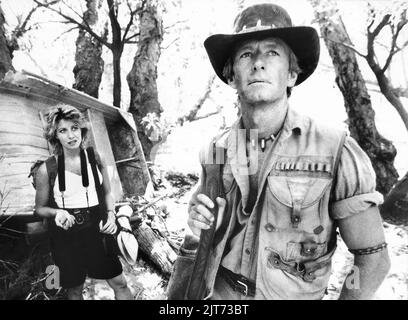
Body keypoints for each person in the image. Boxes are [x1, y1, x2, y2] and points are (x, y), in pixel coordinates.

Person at [168, 3, 391, 300]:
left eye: (272, 52)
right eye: (246, 54)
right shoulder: (216, 149)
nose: (258, 63)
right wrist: (200, 221)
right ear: (232, 76)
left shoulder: (336, 150)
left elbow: (373, 259)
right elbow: (201, 230)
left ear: (291, 75)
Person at [35, 104, 133, 300]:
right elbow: (39, 209)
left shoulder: (95, 157)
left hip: (98, 230)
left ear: (82, 129)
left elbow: (107, 193)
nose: (71, 136)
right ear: (55, 135)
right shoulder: (47, 169)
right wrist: (58, 213)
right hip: (66, 236)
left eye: (74, 128)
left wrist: (112, 216)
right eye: (63, 130)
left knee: (120, 283)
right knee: (74, 290)